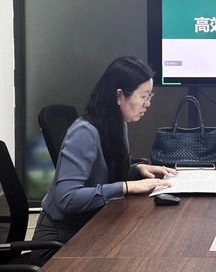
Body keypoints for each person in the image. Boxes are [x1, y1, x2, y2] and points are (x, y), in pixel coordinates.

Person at [31, 56, 177, 266]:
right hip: (59, 244)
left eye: (150, 96)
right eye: (143, 96)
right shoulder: (85, 132)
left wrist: (137, 170)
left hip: (91, 226)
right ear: (119, 95)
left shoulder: (117, 124)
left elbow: (101, 173)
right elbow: (67, 198)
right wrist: (126, 187)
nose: (148, 103)